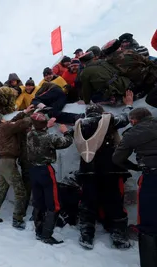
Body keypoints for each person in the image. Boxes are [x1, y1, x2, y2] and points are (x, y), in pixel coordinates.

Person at [74, 91, 135, 250]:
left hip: (87, 170)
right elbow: (125, 118)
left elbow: (62, 117)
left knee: (88, 202)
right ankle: (118, 236)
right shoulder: (107, 120)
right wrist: (128, 104)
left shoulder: (80, 123)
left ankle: (86, 236)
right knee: (114, 201)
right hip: (109, 170)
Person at [112, 107, 157, 266]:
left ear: (133, 121)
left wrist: (136, 167)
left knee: (148, 222)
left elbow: (117, 159)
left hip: (152, 177)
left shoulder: (133, 133)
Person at [27, 113, 74, 245]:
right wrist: (66, 132)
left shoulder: (29, 134)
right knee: (54, 204)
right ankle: (46, 235)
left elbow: (38, 131)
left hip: (33, 170)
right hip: (45, 171)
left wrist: (44, 126)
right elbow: (67, 142)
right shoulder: (50, 138)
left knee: (38, 202)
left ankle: (39, 230)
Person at [0, 109, 32, 229]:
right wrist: (34, 116)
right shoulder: (5, 127)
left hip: (3, 163)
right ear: (0, 120)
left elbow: (13, 122)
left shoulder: (0, 128)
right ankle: (17, 219)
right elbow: (20, 124)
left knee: (2, 190)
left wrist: (23, 112)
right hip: (8, 163)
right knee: (20, 191)